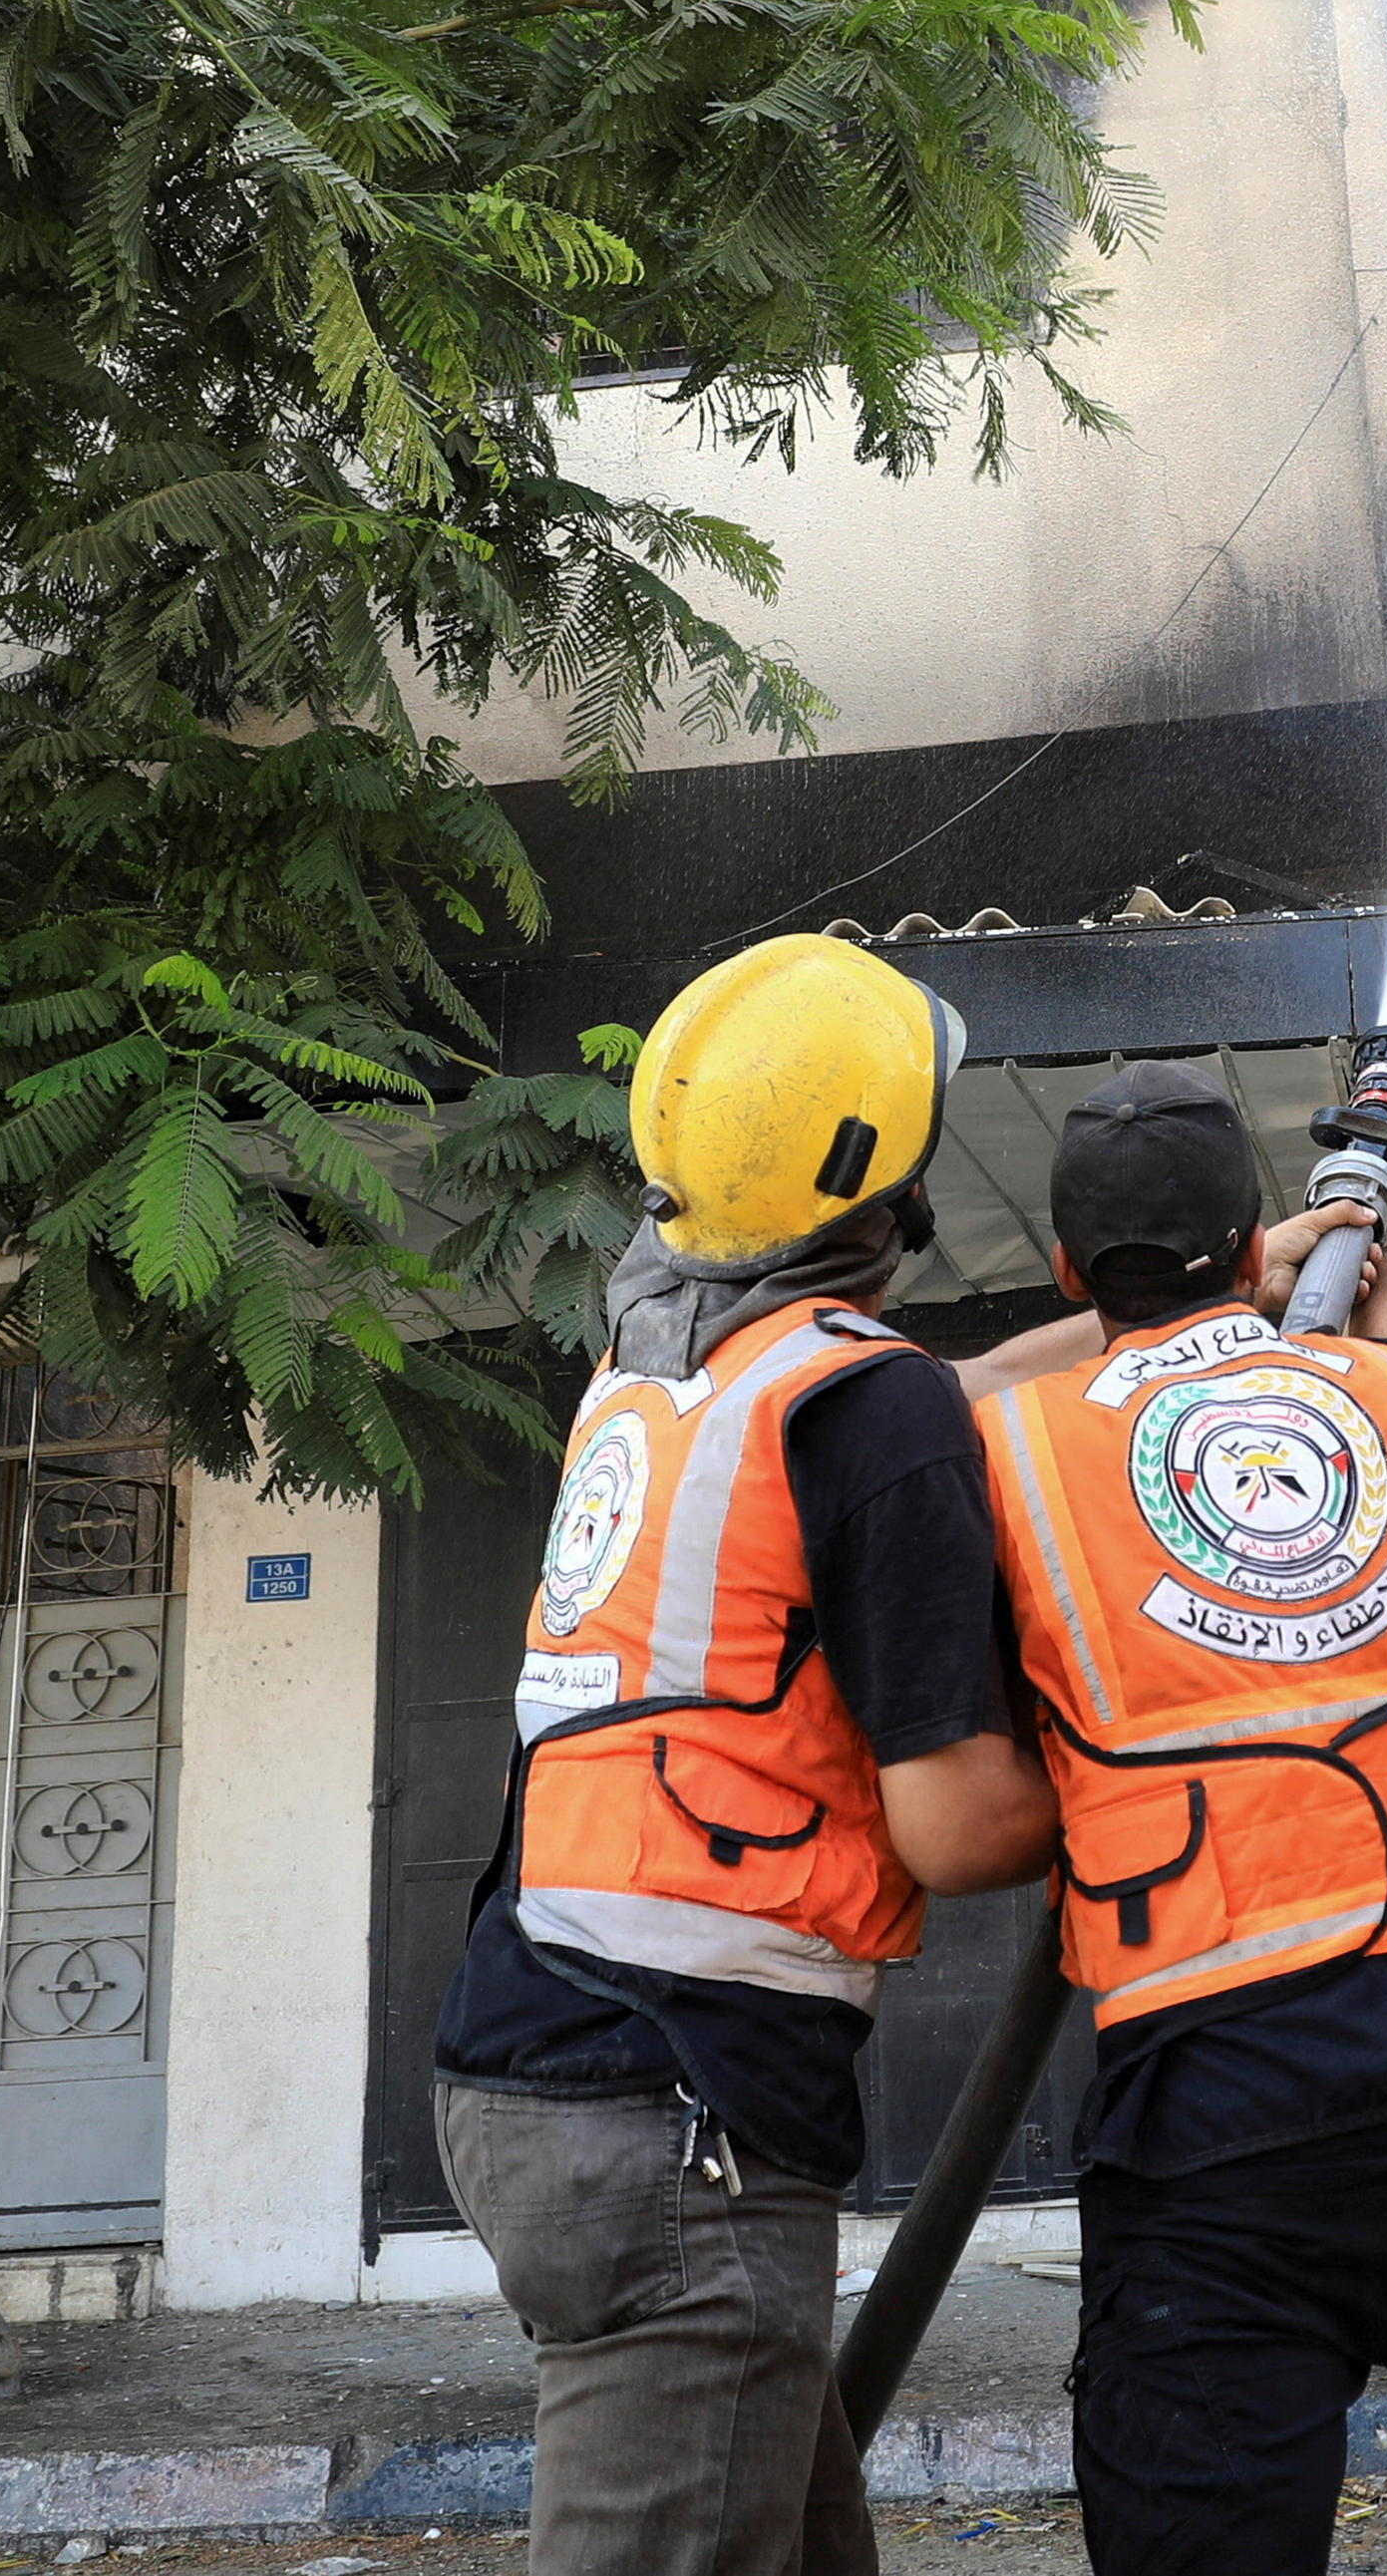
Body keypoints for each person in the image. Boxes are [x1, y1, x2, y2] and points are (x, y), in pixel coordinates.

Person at [432, 934, 1062, 2576]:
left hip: (547, 2064)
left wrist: (1187, 1317)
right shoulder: (860, 1404)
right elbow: (953, 1824)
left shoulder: (667, 1374)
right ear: (893, 1190)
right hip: (676, 2119)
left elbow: (948, 1407)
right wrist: (1169, 1775)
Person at [959, 1060, 1387, 2576]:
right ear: (1253, 1237)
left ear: (1070, 1269)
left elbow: (948, 1393)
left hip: (1218, 2101)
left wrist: (1185, 1308)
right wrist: (1320, 1256)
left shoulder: (1019, 1449)